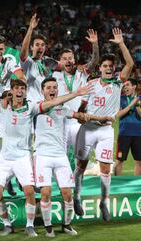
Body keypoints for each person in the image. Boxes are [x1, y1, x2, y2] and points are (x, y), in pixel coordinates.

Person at [0, 79, 90, 237]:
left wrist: (79, 100)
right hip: (9, 156)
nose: (20, 91)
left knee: (31, 191)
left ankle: (34, 225)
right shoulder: (5, 106)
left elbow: (66, 108)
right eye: (17, 89)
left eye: (23, 88)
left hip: (26, 155)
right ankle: (7, 224)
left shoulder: (32, 107)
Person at [35, 77, 113, 237]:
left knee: (67, 194)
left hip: (60, 156)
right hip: (43, 156)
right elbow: (49, 105)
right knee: (46, 193)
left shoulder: (62, 110)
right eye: (48, 87)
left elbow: (80, 116)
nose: (52, 90)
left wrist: (101, 119)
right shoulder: (37, 107)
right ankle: (48, 227)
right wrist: (76, 93)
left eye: (54, 87)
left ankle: (66, 225)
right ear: (42, 90)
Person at [74, 28, 134, 221]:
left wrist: (121, 43)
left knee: (105, 168)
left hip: (106, 131)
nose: (109, 68)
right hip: (88, 129)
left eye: (111, 66)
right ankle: (76, 197)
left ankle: (104, 202)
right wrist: (88, 117)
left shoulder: (118, 83)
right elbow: (80, 112)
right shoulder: (90, 84)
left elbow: (130, 63)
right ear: (100, 67)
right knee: (81, 165)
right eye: (105, 66)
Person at [51, 29, 99, 167]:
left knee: (82, 156)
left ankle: (78, 183)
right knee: (60, 155)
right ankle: (61, 184)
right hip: (60, 121)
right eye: (64, 59)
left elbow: (95, 61)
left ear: (74, 60)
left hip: (77, 122)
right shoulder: (55, 76)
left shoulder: (81, 72)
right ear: (60, 61)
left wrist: (94, 44)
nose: (68, 61)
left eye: (70, 58)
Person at [20, 14, 59, 103]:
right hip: (33, 104)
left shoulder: (47, 62)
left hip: (47, 103)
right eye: (37, 45)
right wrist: (30, 28)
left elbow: (65, 66)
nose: (40, 47)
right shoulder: (28, 63)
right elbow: (23, 52)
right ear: (31, 47)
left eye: (42, 45)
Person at [114, 79, 141, 175]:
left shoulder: (140, 99)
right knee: (119, 160)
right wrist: (130, 105)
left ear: (134, 86)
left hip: (139, 134)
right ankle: (117, 183)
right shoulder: (121, 99)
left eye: (127, 85)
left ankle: (137, 185)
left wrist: (137, 104)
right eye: (124, 86)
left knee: (139, 161)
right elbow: (118, 115)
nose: (125, 88)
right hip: (124, 134)